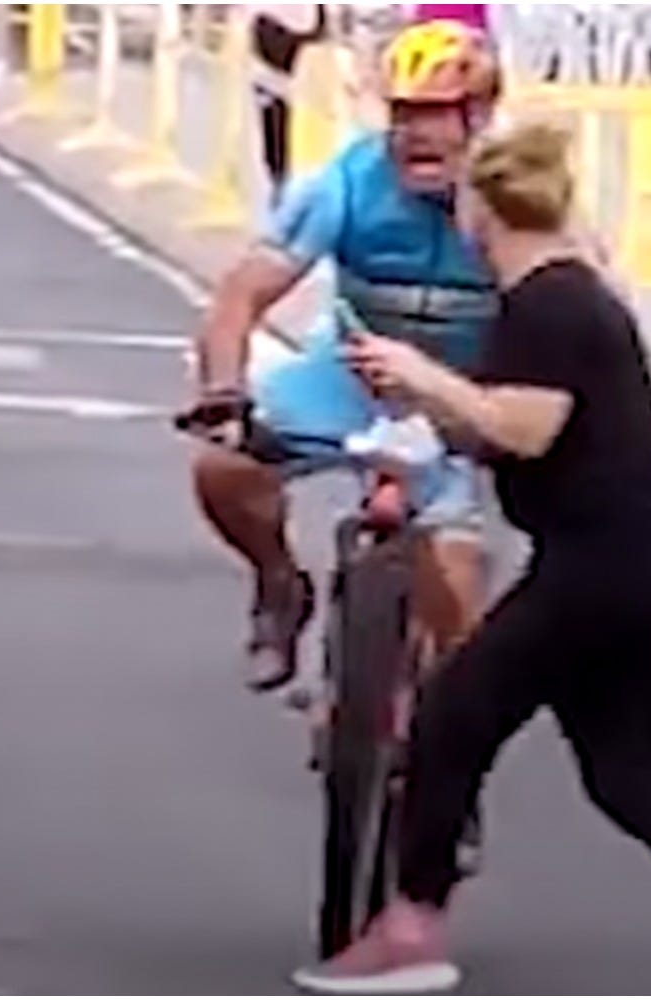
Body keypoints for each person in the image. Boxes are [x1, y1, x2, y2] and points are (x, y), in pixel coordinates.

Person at [291, 119, 651, 996]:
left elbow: (526, 423)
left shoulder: (549, 301)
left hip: (608, 565)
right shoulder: (570, 296)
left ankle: (411, 930)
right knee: (629, 772)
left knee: (451, 717)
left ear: (487, 212)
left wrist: (425, 374)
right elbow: (526, 436)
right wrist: (425, 416)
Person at [182, 20, 504, 694]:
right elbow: (238, 299)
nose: (415, 133)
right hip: (349, 378)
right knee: (221, 468)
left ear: (480, 115)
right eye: (403, 113)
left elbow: (583, 307)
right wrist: (223, 392)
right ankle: (279, 584)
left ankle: (443, 764)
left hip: (456, 397)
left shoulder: (517, 197)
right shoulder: (346, 183)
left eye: (436, 115)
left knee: (461, 621)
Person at [249, 4, 329, 207]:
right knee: (279, 143)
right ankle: (283, 192)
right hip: (277, 79)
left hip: (287, 80)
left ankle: (284, 192)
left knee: (282, 143)